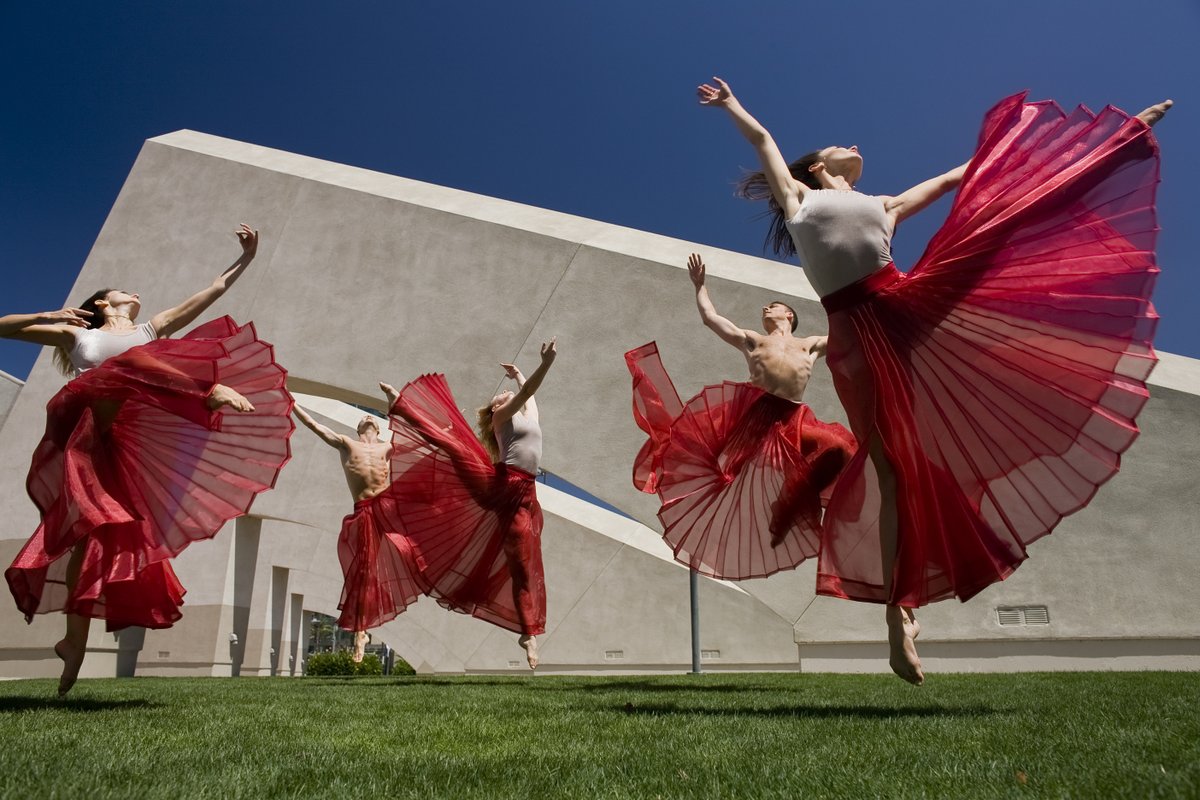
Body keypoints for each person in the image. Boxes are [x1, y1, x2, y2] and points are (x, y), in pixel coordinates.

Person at [700, 76, 1171, 684]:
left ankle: (1106, 150)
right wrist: (732, 103)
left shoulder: (887, 204)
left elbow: (964, 176)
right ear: (818, 168)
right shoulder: (799, 199)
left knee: (992, 225)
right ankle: (899, 614)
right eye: (836, 145)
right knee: (891, 470)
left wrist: (1082, 142)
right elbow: (764, 138)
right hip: (855, 336)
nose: (852, 144)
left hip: (906, 307)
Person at [2, 224, 294, 695]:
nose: (133, 292)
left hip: (109, 442)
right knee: (138, 364)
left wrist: (248, 258)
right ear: (101, 302)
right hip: (76, 424)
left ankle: (73, 642)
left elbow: (213, 291)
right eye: (121, 290)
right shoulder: (75, 336)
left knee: (98, 535)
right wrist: (49, 314)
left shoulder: (146, 328)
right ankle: (206, 392)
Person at [626, 253, 855, 580]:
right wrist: (699, 287)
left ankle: (789, 506)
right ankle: (670, 454)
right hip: (756, 417)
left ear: (788, 314)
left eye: (772, 306)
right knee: (722, 473)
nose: (765, 309)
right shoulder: (753, 340)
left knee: (840, 448)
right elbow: (711, 318)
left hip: (794, 417)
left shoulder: (810, 345)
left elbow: (847, 334)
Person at [383, 340, 557, 669]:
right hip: (501, 486)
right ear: (495, 412)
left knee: (521, 568)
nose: (500, 396)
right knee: (456, 447)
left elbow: (530, 397)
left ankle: (528, 635)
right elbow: (526, 393)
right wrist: (545, 364)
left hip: (525, 497)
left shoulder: (528, 417)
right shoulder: (503, 417)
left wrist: (519, 373)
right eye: (496, 400)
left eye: (502, 394)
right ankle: (402, 406)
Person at [292, 390, 426, 641]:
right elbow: (314, 424)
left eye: (372, 417)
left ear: (378, 425)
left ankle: (433, 580)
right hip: (365, 510)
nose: (368, 416)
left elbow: (415, 437)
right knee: (366, 569)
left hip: (387, 509)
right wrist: (293, 403)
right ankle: (361, 631)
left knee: (414, 549)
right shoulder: (346, 443)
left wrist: (440, 426)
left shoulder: (388, 447)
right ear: (359, 427)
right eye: (364, 416)